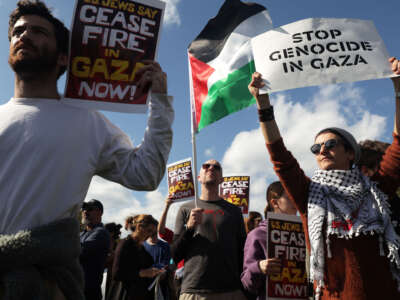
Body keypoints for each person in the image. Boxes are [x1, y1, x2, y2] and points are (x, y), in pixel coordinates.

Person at [0, 1, 173, 299]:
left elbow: (146, 173)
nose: (24, 35)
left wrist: (159, 101)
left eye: (38, 31)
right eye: (18, 31)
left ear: (64, 57)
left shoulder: (88, 123)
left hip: (45, 286)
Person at [248, 57, 400, 300]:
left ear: (350, 152)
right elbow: (280, 159)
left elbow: (398, 148)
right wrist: (263, 105)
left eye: (330, 144)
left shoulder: (376, 189)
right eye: (316, 148)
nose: (322, 150)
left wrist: (398, 89)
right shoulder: (310, 194)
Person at [171, 160, 247, 300]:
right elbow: (175, 254)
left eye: (216, 167)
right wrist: (189, 228)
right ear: (199, 177)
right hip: (195, 291)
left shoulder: (235, 211)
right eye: (206, 166)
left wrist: (244, 289)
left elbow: (243, 251)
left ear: (221, 180)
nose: (211, 168)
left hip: (231, 291)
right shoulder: (186, 209)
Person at [241, 181, 297, 300]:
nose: (296, 201)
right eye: (290, 197)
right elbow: (246, 283)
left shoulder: (306, 233)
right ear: (275, 202)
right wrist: (259, 267)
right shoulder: (257, 235)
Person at [110, 214, 165, 300]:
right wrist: (142, 273)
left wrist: (156, 272)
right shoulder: (125, 244)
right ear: (139, 227)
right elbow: (116, 274)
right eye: (149, 230)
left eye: (153, 232)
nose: (150, 235)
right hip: (124, 295)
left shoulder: (142, 248)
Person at [80, 199, 111, 300]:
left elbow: (78, 251)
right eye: (83, 209)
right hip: (76, 289)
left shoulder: (101, 233)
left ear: (100, 213)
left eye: (89, 209)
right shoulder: (81, 234)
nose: (85, 211)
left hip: (89, 292)